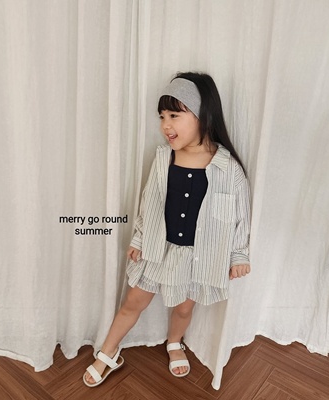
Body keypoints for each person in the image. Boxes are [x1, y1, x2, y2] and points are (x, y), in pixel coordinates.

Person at [83, 72, 251, 387]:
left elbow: (240, 216)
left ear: (202, 115)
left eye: (174, 115)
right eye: (162, 116)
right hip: (158, 249)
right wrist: (139, 239)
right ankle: (108, 352)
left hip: (196, 257)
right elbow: (149, 203)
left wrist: (238, 255)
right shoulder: (164, 158)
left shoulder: (228, 169)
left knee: (184, 309)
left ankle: (175, 342)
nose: (165, 125)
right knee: (133, 302)